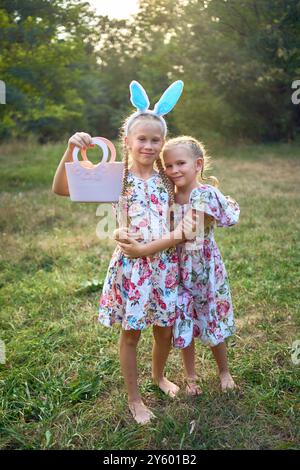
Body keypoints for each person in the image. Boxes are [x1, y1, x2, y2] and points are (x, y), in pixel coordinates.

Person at [53, 80, 189, 424]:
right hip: (133, 268)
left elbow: (192, 199)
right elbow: (61, 189)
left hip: (165, 265)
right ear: (126, 141)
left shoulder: (166, 178)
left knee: (165, 329)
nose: (148, 145)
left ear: (162, 143)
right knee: (131, 333)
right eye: (141, 139)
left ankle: (159, 377)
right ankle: (134, 398)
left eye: (155, 139)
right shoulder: (115, 177)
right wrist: (71, 151)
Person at [118, 136, 240, 396]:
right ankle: (191, 376)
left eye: (180, 164)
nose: (174, 171)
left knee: (210, 319)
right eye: (169, 165)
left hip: (204, 270)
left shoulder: (203, 195)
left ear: (198, 164)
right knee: (183, 319)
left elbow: (184, 233)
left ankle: (224, 371)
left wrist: (141, 251)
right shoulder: (170, 195)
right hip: (175, 268)